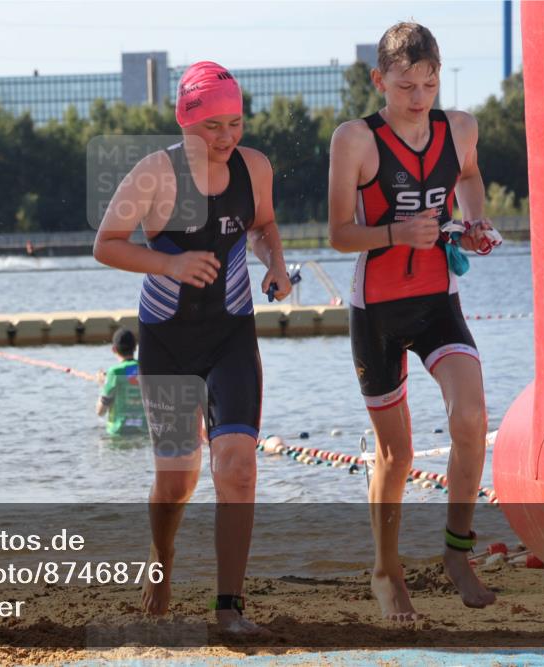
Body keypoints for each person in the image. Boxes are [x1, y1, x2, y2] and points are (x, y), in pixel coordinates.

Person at [93, 61, 291, 634]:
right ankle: (162, 558)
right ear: (185, 121)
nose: (227, 136)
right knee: (177, 480)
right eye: (213, 126)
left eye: (235, 123)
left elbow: (264, 224)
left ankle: (228, 607)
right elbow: (106, 244)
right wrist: (170, 263)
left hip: (232, 336)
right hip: (169, 343)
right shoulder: (154, 175)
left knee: (237, 468)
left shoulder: (254, 167)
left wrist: (274, 262)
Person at [327, 22, 501, 621]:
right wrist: (398, 232)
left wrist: (474, 222)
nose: (420, 96)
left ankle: (457, 551)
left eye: (429, 83)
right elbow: (339, 234)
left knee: (472, 416)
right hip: (375, 308)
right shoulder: (355, 140)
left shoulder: (461, 128)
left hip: (436, 302)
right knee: (396, 456)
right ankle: (386, 569)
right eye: (405, 86)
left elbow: (470, 176)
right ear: (379, 81)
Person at [96, 327, 147, 436]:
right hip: (143, 430)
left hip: (119, 432)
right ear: (135, 348)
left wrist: (102, 385)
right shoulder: (146, 368)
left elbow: (100, 411)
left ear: (114, 349)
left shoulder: (114, 372)